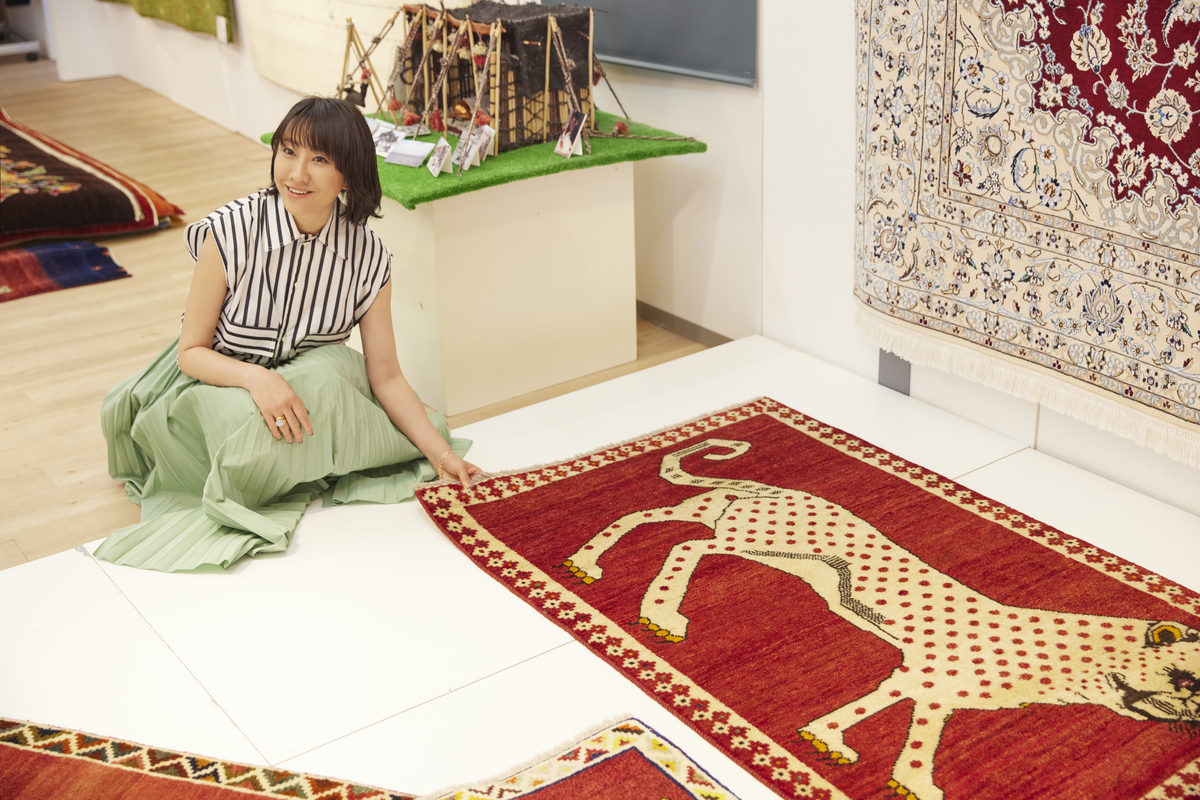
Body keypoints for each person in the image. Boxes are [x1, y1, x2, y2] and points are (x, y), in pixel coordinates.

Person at [96, 97, 482, 572]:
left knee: (334, 372)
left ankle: (288, 459)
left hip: (307, 379)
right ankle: (289, 457)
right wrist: (259, 380)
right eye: (288, 151)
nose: (297, 174)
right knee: (250, 421)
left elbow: (385, 376)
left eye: (319, 159)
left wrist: (441, 458)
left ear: (349, 174)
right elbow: (191, 352)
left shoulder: (368, 257)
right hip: (217, 377)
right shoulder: (230, 231)